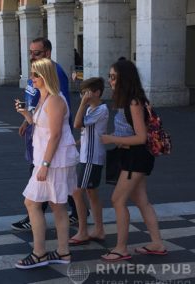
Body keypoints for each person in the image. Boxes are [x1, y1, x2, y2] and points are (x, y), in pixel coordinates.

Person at [11, 37, 81, 232]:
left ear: (48, 53)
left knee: (51, 184)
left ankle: (39, 220)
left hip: (50, 139)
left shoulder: (54, 73)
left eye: (37, 53)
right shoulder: (37, 71)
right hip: (39, 129)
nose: (32, 56)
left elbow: (58, 110)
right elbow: (39, 103)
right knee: (59, 185)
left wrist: (55, 144)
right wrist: (27, 118)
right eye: (31, 52)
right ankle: (75, 215)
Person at [100, 59, 167, 261]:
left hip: (135, 158)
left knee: (117, 200)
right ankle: (157, 243)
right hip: (134, 156)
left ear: (124, 79)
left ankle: (121, 248)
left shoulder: (133, 102)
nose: (110, 81)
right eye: (109, 77)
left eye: (113, 77)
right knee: (141, 200)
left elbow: (140, 137)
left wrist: (112, 139)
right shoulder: (129, 100)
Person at [15, 58, 78, 269]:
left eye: (34, 75)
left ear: (44, 77)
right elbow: (42, 126)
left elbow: (56, 135)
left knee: (33, 203)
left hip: (54, 161)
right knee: (56, 206)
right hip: (49, 159)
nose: (31, 79)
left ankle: (40, 252)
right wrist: (26, 115)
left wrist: (44, 165)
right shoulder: (45, 98)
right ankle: (62, 251)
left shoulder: (55, 101)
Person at [69, 77, 108, 246]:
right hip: (88, 156)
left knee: (78, 192)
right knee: (91, 193)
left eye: (86, 92)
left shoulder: (100, 109)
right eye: (82, 92)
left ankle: (83, 231)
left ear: (97, 93)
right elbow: (87, 132)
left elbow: (77, 124)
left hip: (91, 158)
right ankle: (99, 229)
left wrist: (82, 104)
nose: (83, 95)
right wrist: (78, 142)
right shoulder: (92, 109)